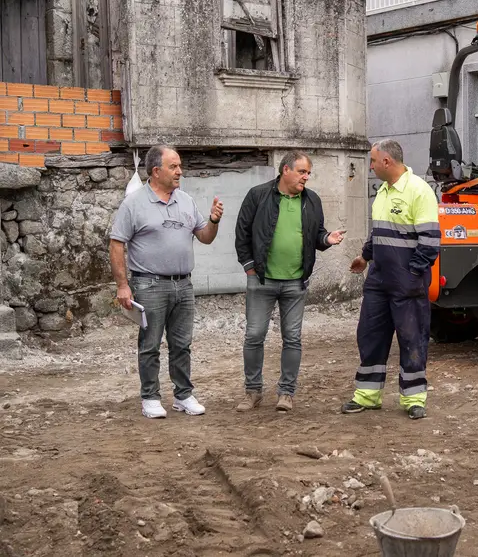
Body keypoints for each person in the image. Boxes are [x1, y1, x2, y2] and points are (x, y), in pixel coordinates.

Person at [109, 144, 223, 419]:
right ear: (156, 170)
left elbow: (205, 237)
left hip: (183, 285)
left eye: (180, 166)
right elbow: (116, 244)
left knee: (182, 344)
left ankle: (183, 396)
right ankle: (150, 397)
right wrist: (123, 286)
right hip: (149, 285)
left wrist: (214, 220)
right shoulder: (134, 203)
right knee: (150, 345)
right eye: (174, 166)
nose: (179, 171)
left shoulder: (185, 200)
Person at [234, 151, 345, 412]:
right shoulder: (258, 195)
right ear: (286, 170)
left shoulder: (312, 200)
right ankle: (252, 392)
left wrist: (327, 239)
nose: (306, 177)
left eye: (308, 173)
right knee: (254, 336)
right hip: (261, 280)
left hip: (296, 282)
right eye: (302, 171)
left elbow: (316, 234)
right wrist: (250, 268)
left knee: (292, 338)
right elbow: (242, 233)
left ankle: (286, 393)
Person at [341, 139, 440, 420]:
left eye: (373, 161)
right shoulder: (383, 191)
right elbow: (379, 233)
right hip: (378, 281)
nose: (370, 166)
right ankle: (367, 396)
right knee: (370, 336)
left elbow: (430, 241)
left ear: (386, 162)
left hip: (407, 282)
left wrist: (412, 274)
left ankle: (413, 399)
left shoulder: (419, 191)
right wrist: (365, 257)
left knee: (412, 339)